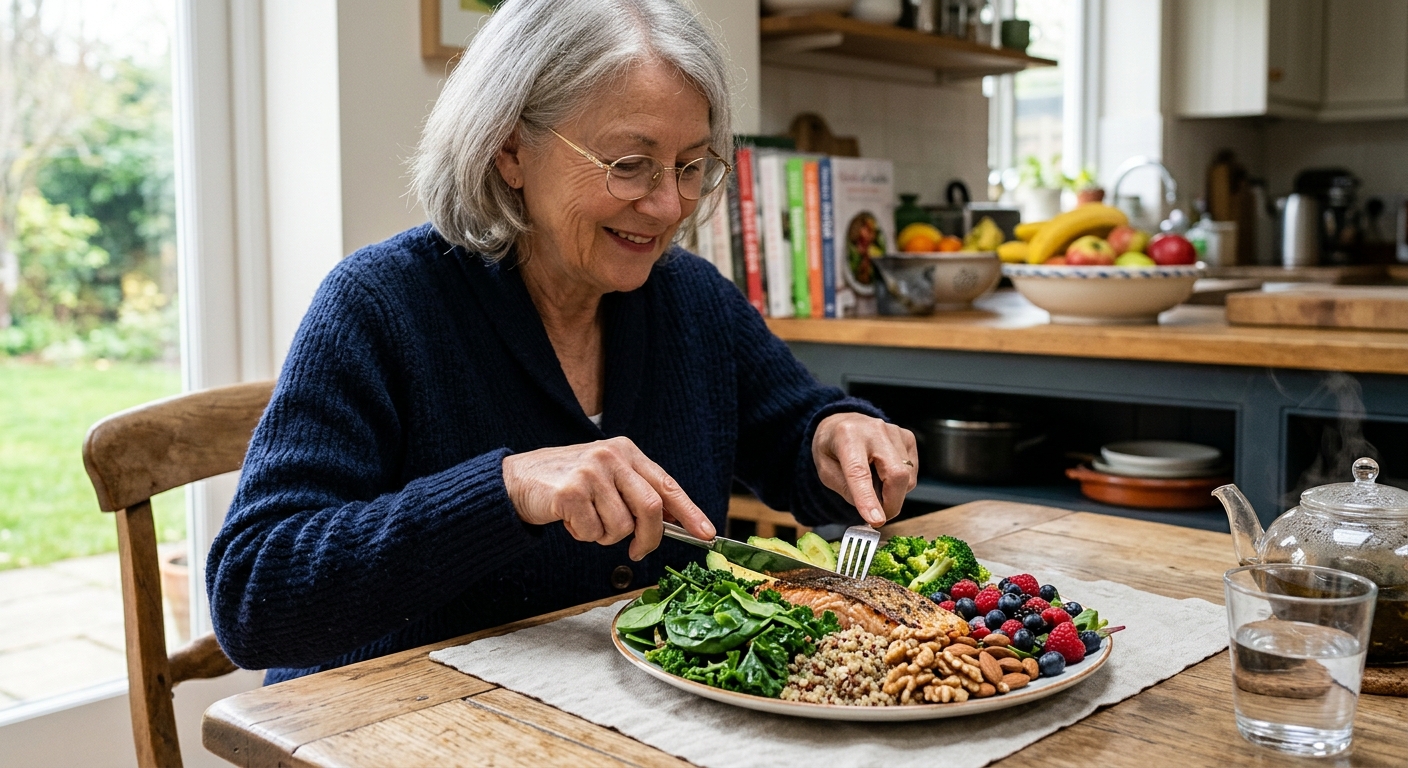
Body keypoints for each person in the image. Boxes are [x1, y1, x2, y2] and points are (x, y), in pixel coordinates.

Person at [206, 0, 917, 684]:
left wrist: (837, 435)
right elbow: (252, 598)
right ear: (510, 149)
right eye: (629, 164)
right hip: (391, 730)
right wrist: (507, 489)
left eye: (692, 165)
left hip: (615, 725)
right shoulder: (380, 304)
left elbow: (795, 434)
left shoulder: (692, 298)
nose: (668, 205)